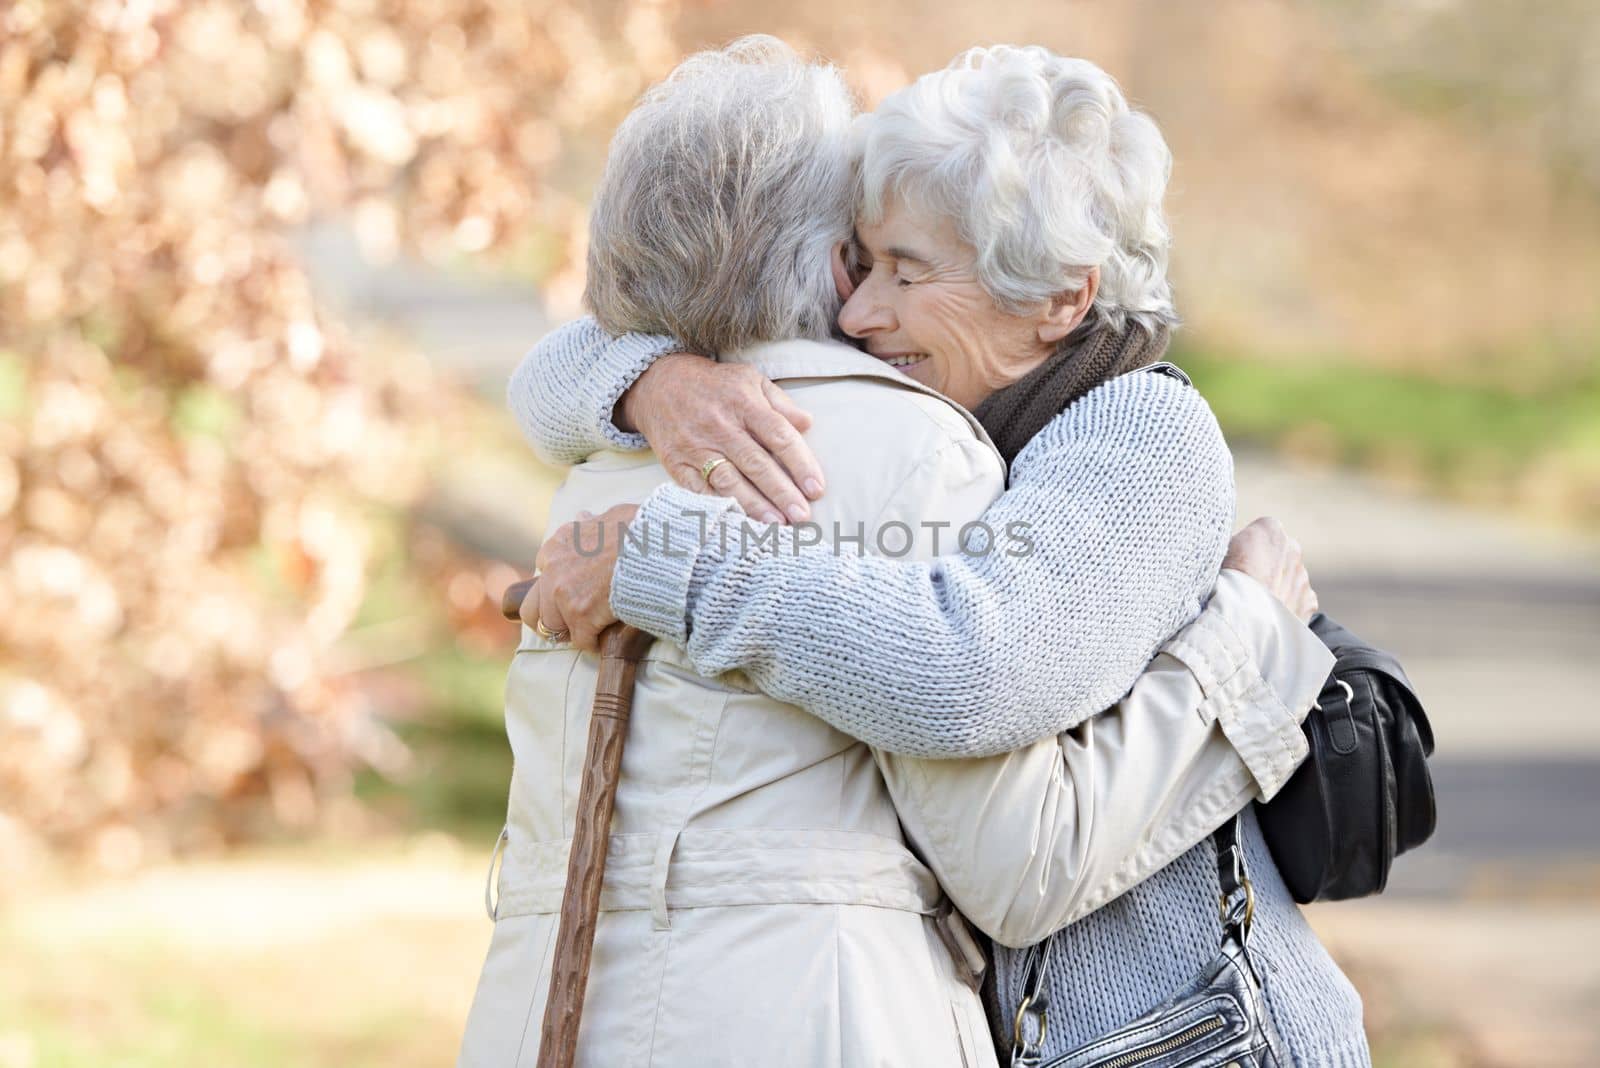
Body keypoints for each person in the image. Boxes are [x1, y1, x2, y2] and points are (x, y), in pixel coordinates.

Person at [512, 42, 1371, 1065]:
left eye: (906, 275)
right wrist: (653, 381)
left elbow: (965, 669)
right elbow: (545, 374)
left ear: (1059, 299)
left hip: (1200, 1040)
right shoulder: (943, 415)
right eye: (861, 263)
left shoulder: (1135, 436)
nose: (857, 312)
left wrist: (667, 563)